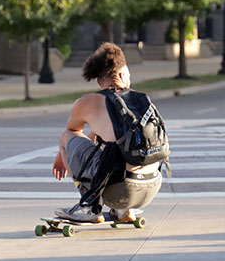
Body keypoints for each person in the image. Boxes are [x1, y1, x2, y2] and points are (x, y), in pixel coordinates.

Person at [52, 43, 162, 223]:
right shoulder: (143, 101)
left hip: (121, 190)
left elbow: (72, 132)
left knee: (66, 137)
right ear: (121, 75)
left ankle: (90, 204)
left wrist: (60, 155)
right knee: (117, 151)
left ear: (99, 81)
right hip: (151, 187)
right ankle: (123, 211)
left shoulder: (89, 102)